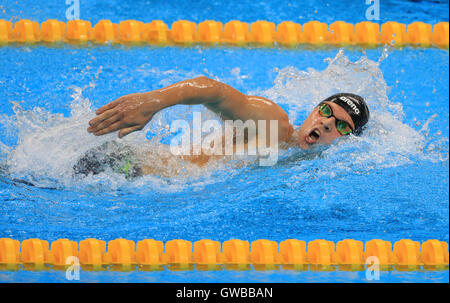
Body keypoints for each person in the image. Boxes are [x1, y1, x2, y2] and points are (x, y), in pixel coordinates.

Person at [76, 76, 369, 177]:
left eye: (341, 126)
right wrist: (153, 102)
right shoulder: (273, 124)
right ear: (314, 109)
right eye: (326, 111)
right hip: (126, 168)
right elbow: (211, 90)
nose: (327, 123)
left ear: (347, 140)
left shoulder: (309, 166)